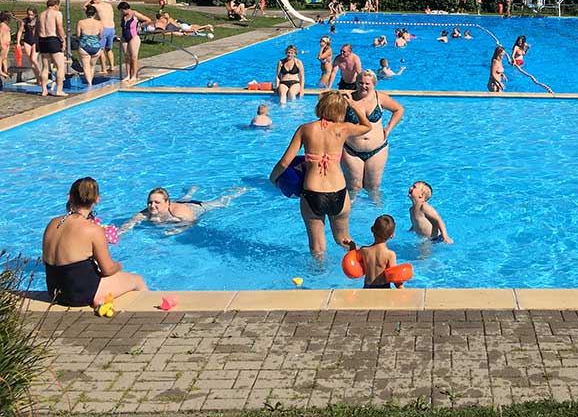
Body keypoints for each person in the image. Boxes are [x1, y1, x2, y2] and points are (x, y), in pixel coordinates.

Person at [269, 91, 372, 259]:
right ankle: (364, 261)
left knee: (317, 248)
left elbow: (284, 163)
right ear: (341, 110)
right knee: (344, 239)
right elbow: (367, 126)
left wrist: (273, 179)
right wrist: (353, 105)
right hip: (339, 191)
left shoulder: (305, 129)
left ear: (321, 106)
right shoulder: (343, 129)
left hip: (313, 193)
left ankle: (318, 277)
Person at [42, 177, 147, 307]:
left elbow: (50, 260)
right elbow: (107, 270)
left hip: (54, 292)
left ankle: (101, 297)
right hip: (79, 295)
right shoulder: (93, 230)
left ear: (70, 197)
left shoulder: (52, 223)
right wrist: (118, 265)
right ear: (97, 199)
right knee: (137, 280)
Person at [342, 70, 404, 194]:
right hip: (351, 150)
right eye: (360, 83)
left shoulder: (379, 97)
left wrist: (388, 129)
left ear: (374, 84)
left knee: (373, 187)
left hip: (377, 149)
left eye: (367, 84)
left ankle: (377, 211)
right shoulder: (348, 99)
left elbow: (399, 110)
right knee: (353, 188)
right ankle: (352, 212)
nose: (363, 86)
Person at [119, 186, 249, 235]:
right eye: (150, 202)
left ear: (167, 203)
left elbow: (192, 222)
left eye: (156, 202)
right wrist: (119, 233)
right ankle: (191, 190)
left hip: (196, 207)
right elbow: (130, 223)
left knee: (220, 203)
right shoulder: (146, 213)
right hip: (178, 203)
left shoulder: (179, 212)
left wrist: (177, 230)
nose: (152, 205)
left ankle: (238, 192)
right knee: (183, 198)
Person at [355, 215, 402, 289]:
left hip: (367, 287)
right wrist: (401, 288)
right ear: (392, 235)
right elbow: (393, 276)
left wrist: (351, 246)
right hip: (383, 287)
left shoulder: (364, 250)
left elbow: (354, 260)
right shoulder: (390, 254)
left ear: (372, 229)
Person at [37, 0, 67, 97]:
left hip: (42, 40)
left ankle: (44, 90)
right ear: (56, 5)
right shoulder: (57, 13)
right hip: (52, 39)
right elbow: (59, 27)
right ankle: (59, 90)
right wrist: (63, 40)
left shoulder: (41, 14)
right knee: (60, 66)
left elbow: (37, 29)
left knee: (45, 67)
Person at [118, 2, 151, 84]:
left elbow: (148, 20)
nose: (121, 12)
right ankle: (128, 75)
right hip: (124, 37)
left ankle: (134, 75)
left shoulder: (135, 14)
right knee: (127, 57)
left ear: (126, 9)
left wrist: (139, 26)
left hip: (134, 37)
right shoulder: (123, 16)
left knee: (133, 57)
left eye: (122, 11)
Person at [84, 0, 116, 75]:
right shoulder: (109, 5)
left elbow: (84, 7)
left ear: (94, 1)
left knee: (101, 49)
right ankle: (112, 66)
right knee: (109, 49)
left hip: (104, 28)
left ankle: (104, 68)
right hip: (112, 28)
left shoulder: (96, 6)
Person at [75, 5, 105, 86]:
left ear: (86, 13)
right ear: (95, 14)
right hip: (96, 47)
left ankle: (89, 83)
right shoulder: (99, 23)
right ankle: (90, 82)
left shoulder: (80, 22)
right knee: (92, 66)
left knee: (86, 66)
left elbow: (78, 35)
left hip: (84, 46)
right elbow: (101, 36)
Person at [15, 7, 40, 80]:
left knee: (34, 59)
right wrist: (18, 42)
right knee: (31, 63)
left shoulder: (38, 20)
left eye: (32, 15)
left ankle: (41, 73)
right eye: (29, 14)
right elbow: (20, 31)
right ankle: (38, 78)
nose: (30, 16)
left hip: (36, 41)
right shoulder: (25, 21)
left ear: (35, 14)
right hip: (27, 41)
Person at [0, 11, 11, 79]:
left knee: (5, 57)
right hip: (3, 43)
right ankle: (0, 71)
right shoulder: (2, 25)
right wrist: (1, 44)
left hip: (7, 43)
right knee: (1, 58)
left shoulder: (5, 24)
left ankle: (5, 70)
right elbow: (0, 35)